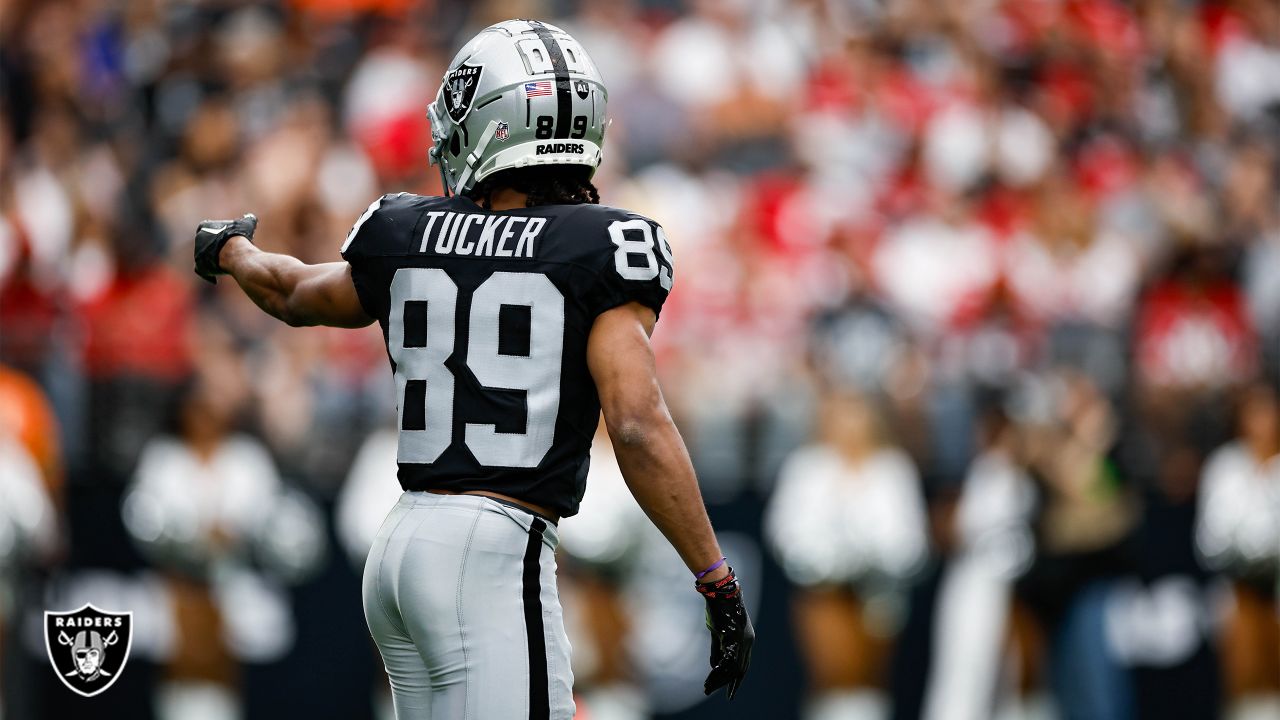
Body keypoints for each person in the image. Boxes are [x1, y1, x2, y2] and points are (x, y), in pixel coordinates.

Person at [191, 19, 752, 720]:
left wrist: (233, 253)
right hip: (493, 548)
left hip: (399, 547)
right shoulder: (605, 244)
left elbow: (296, 294)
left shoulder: (404, 228)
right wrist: (716, 578)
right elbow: (635, 424)